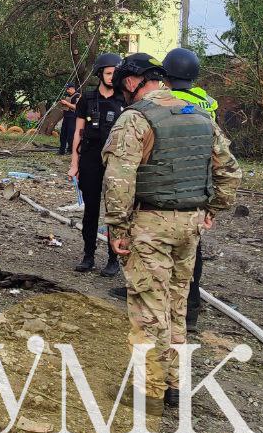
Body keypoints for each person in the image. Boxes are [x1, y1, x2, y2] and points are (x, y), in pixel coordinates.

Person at [101, 52, 241, 407]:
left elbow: (119, 179)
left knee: (149, 308)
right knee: (177, 306)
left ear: (132, 82)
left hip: (150, 225)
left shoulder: (136, 118)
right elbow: (229, 170)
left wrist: (117, 227)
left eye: (123, 88)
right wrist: (212, 209)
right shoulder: (199, 114)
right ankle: (175, 385)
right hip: (190, 225)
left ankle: (149, 391)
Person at [162, 47, 218, 329]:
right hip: (200, 182)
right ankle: (191, 311)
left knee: (160, 251)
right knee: (193, 250)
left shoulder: (165, 100)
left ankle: (163, 312)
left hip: (170, 180)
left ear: (166, 75)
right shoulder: (208, 102)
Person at [67, 52, 124, 276]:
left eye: (115, 73)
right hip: (91, 158)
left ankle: (113, 259)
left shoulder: (126, 100)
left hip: (117, 161)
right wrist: (75, 163)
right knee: (91, 210)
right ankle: (88, 255)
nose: (112, 77)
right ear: (100, 74)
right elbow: (77, 134)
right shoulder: (87, 100)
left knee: (115, 211)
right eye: (108, 73)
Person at [57, 83, 79, 155]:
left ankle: (71, 150)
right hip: (66, 117)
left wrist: (66, 103)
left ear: (72, 88)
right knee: (63, 134)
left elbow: (77, 107)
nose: (67, 90)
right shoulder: (67, 96)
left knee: (71, 135)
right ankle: (62, 150)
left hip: (73, 118)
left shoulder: (77, 96)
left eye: (68, 89)